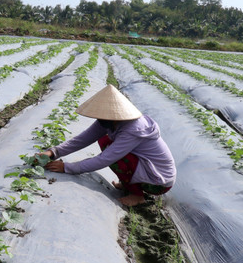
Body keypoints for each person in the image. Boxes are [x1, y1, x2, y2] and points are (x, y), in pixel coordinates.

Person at [41, 84, 176, 207]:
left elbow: (105, 159)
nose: (99, 119)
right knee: (105, 140)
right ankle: (129, 185)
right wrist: (53, 152)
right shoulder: (110, 121)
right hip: (146, 169)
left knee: (115, 154)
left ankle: (138, 196)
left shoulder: (133, 129)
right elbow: (84, 138)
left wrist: (67, 168)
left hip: (158, 182)